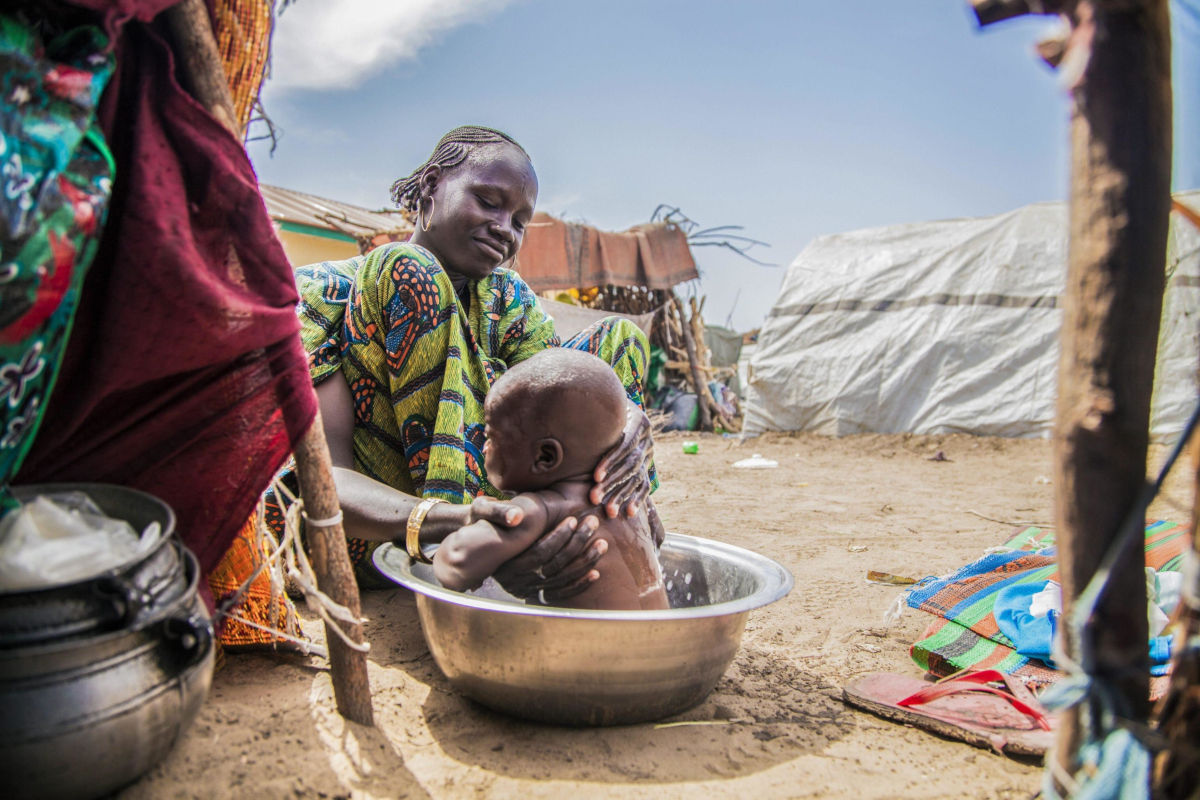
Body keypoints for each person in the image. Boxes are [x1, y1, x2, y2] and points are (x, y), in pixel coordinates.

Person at [209, 126, 661, 645]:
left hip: (507, 523)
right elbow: (323, 481)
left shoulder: (505, 299)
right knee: (410, 271)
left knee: (618, 343)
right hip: (369, 535)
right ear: (428, 191)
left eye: (519, 221)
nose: (504, 229)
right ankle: (490, 548)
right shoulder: (324, 293)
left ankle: (600, 540)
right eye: (488, 202)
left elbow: (564, 394)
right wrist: (468, 522)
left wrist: (629, 422)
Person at [434, 349, 668, 610]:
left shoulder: (541, 509)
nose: (485, 448)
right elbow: (658, 540)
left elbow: (456, 561)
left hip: (585, 648)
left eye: (492, 437)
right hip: (659, 639)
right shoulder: (632, 499)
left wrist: (450, 541)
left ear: (545, 457)